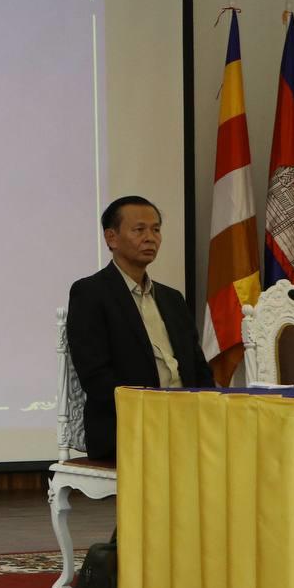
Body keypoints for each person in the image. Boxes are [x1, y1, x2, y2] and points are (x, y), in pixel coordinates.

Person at [66, 195, 214, 461]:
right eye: (139, 230)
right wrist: (153, 413)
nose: (150, 238)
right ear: (111, 238)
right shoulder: (90, 293)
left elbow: (198, 367)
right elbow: (96, 377)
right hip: (128, 428)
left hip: (187, 423)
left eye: (156, 230)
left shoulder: (172, 299)